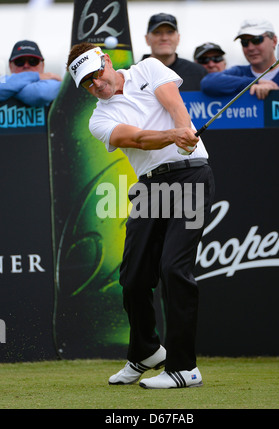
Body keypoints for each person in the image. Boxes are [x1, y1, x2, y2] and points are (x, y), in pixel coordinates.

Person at [66, 42, 215, 389]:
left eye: (97, 74)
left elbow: (173, 103)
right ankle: (146, 351)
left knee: (173, 269)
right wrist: (172, 135)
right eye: (87, 83)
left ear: (106, 60)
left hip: (191, 175)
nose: (97, 85)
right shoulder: (99, 118)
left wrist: (184, 132)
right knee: (133, 276)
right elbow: (140, 139)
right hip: (150, 189)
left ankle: (183, 368)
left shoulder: (148, 68)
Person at [201, 19, 279, 100]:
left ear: (274, 41)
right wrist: (255, 83)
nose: (250, 48)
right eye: (245, 42)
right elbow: (208, 82)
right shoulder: (239, 72)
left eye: (257, 40)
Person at [141, 13, 207, 91]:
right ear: (147, 39)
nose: (164, 38)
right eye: (157, 32)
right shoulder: (131, 75)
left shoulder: (198, 73)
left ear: (178, 38)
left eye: (170, 32)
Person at [0, 40, 62, 107]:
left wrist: (12, 88)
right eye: (20, 62)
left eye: (33, 61)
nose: (26, 66)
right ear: (10, 66)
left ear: (42, 65)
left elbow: (41, 94)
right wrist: (37, 76)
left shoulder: (52, 84)